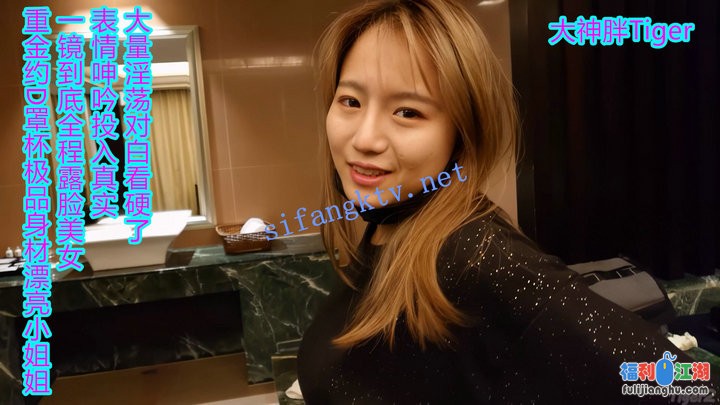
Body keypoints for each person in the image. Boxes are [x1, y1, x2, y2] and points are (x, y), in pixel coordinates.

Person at [297, 0, 709, 403]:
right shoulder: (386, 226)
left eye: (407, 112)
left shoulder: (475, 256)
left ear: (462, 133)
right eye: (350, 101)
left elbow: (685, 384)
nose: (365, 138)